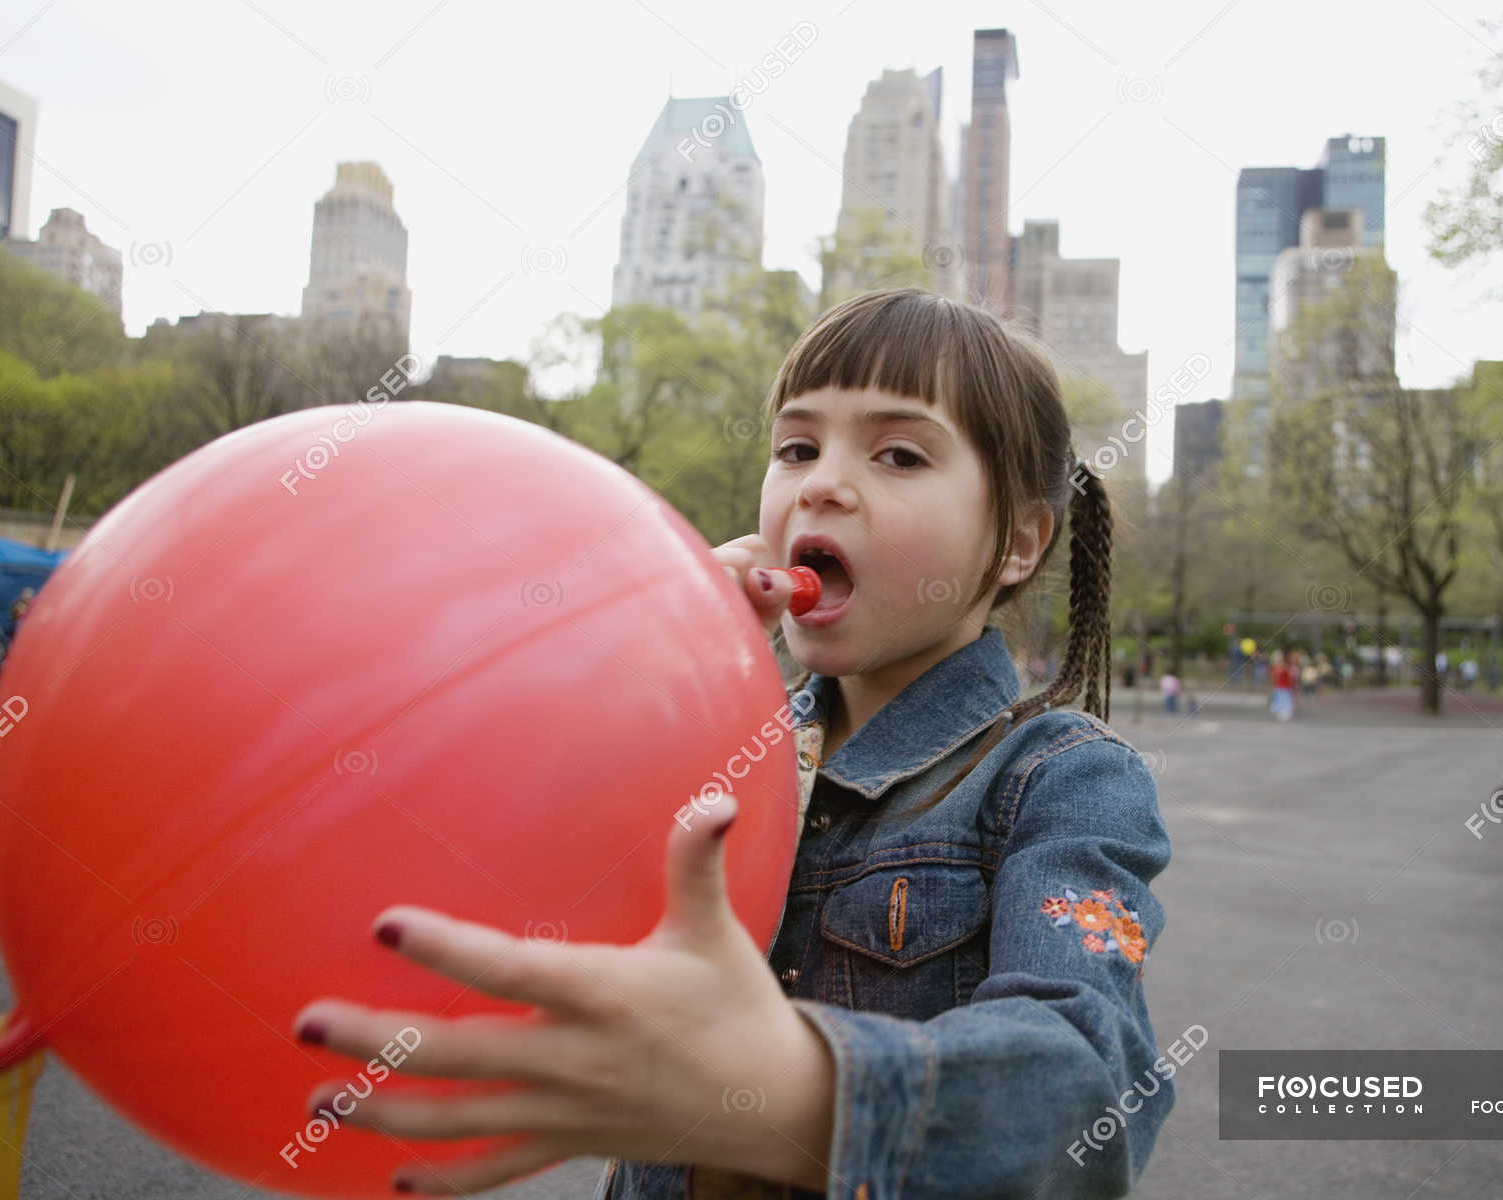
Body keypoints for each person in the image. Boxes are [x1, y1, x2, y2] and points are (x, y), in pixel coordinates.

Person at [288, 289, 1174, 1198]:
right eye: (796, 446)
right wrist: (659, 682)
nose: (819, 483)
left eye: (899, 454)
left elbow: (1088, 1085)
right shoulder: (717, 741)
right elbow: (519, 865)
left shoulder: (1061, 778)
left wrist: (788, 1087)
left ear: (1020, 543)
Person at [1269, 650, 1295, 721]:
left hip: (1285, 688)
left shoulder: (1285, 668)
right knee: (1278, 700)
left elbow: (1290, 678)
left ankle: (1286, 713)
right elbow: (1273, 678)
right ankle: (1280, 712)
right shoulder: (1275, 668)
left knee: (1285, 700)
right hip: (1278, 688)